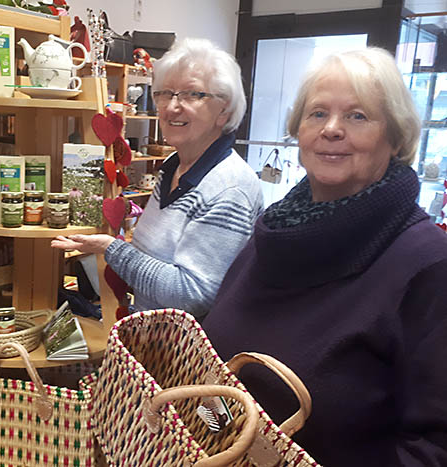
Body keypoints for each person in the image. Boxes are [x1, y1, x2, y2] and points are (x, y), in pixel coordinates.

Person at [202, 47, 447, 466]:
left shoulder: (427, 264)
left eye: (358, 116)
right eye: (317, 114)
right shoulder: (273, 234)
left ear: (396, 137)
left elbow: (434, 447)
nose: (331, 129)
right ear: (297, 131)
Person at [52, 38, 263, 317]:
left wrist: (112, 249)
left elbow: (191, 296)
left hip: (186, 353)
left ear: (223, 110)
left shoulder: (229, 189)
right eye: (165, 93)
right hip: (152, 338)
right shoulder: (172, 168)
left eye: (191, 95)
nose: (172, 107)